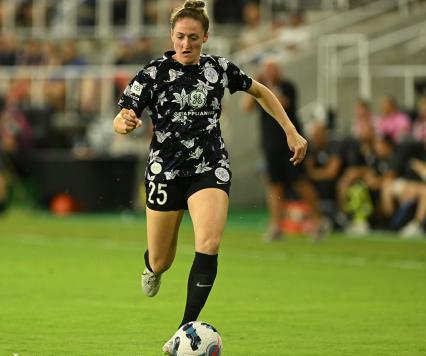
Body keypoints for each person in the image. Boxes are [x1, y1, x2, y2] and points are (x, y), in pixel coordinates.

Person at [112, 1, 308, 354]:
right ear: (171, 36)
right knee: (161, 260)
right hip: (165, 171)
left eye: (193, 38)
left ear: (205, 36)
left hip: (209, 167)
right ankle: (150, 266)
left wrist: (290, 131)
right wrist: (124, 124)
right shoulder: (153, 73)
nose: (186, 44)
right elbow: (123, 115)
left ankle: (182, 332)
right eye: (180, 37)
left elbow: (261, 91)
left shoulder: (220, 69)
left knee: (210, 242)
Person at [243, 58, 324, 241]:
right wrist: (253, 85)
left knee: (300, 182)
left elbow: (281, 104)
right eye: (266, 69)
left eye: (272, 69)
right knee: (274, 185)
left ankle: (318, 222)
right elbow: (246, 108)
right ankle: (276, 226)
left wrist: (268, 86)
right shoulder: (259, 89)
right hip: (270, 145)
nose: (269, 72)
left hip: (290, 144)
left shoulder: (288, 86)